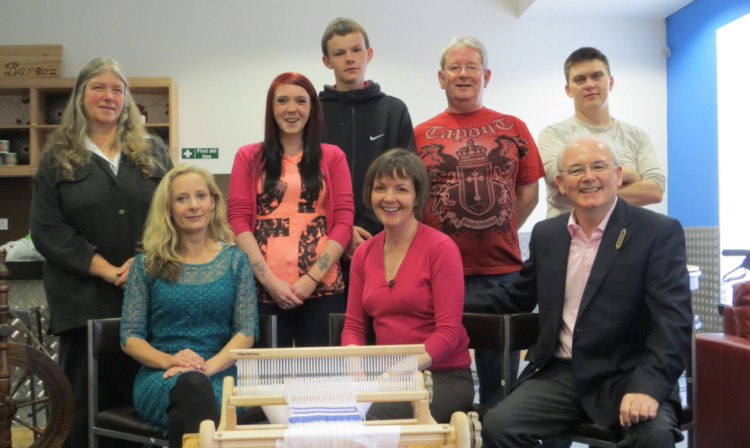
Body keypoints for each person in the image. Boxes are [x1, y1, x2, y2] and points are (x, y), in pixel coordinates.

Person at [466, 136, 693, 447]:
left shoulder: (657, 232)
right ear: (560, 182)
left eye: (599, 166)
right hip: (560, 373)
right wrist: (444, 302)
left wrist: (648, 386)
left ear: (618, 174)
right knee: (498, 425)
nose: (588, 177)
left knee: (653, 437)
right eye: (576, 170)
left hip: (630, 373)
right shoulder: (548, 235)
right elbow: (518, 294)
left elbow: (673, 323)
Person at [29, 57, 173, 447]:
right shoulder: (56, 157)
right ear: (80, 96)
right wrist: (108, 270)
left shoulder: (154, 151)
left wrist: (145, 264)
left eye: (117, 89)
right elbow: (48, 230)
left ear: (126, 100)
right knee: (84, 404)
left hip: (151, 298)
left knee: (145, 399)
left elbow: (172, 214)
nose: (108, 96)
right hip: (83, 304)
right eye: (98, 87)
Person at [413, 36, 545, 408]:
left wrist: (498, 223)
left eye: (471, 66)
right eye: (454, 67)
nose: (463, 74)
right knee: (442, 369)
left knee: (500, 377)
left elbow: (529, 191)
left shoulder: (513, 127)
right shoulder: (419, 134)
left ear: (486, 74)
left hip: (504, 272)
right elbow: (413, 198)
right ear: (441, 78)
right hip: (440, 271)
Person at [121, 163, 257, 448]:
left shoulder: (237, 262)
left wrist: (205, 369)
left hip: (222, 372)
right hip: (161, 375)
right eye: (182, 199)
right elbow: (130, 338)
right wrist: (171, 361)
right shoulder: (147, 264)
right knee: (192, 390)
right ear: (168, 209)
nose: (193, 205)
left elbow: (246, 332)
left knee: (185, 409)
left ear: (213, 202)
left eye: (201, 196)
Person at [341, 149, 474, 424]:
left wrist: (394, 375)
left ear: (417, 197)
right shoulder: (364, 253)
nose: (389, 198)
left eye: (401, 189)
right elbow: (354, 326)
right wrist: (355, 373)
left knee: (367, 420)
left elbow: (448, 334)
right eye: (380, 188)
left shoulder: (441, 248)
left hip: (440, 378)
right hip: (384, 380)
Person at [228, 72, 354, 348]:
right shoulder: (248, 157)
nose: (291, 109)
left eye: (301, 101)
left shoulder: (332, 156)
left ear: (312, 108)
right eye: (282, 100)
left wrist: (311, 278)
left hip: (323, 289)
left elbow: (344, 222)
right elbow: (238, 221)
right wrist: (270, 281)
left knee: (322, 381)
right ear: (271, 108)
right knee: (265, 383)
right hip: (262, 290)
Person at [319, 17, 415, 260]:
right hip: (324, 244)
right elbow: (304, 180)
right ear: (327, 61)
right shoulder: (313, 113)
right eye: (339, 53)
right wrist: (341, 232)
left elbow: (406, 179)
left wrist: (367, 230)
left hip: (383, 239)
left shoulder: (394, 111)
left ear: (369, 53)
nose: (350, 58)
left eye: (356, 50)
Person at [538, 47, 665, 218]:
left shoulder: (637, 136)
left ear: (610, 82)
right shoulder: (553, 135)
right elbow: (565, 189)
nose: (589, 84)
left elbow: (654, 191)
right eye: (580, 79)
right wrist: (629, 173)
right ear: (568, 90)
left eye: (596, 76)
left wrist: (589, 189)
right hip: (568, 237)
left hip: (624, 237)